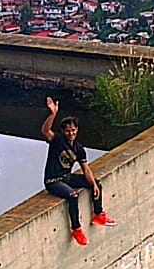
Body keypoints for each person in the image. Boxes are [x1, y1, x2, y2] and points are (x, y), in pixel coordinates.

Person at [41, 97, 116, 245]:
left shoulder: (79, 149)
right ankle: (76, 229)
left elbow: (86, 169)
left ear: (77, 130)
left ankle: (99, 214)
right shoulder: (57, 140)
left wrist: (93, 184)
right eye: (68, 131)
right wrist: (53, 114)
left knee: (97, 184)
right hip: (53, 181)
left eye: (73, 130)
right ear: (63, 131)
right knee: (73, 196)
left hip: (66, 177)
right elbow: (45, 131)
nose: (71, 133)